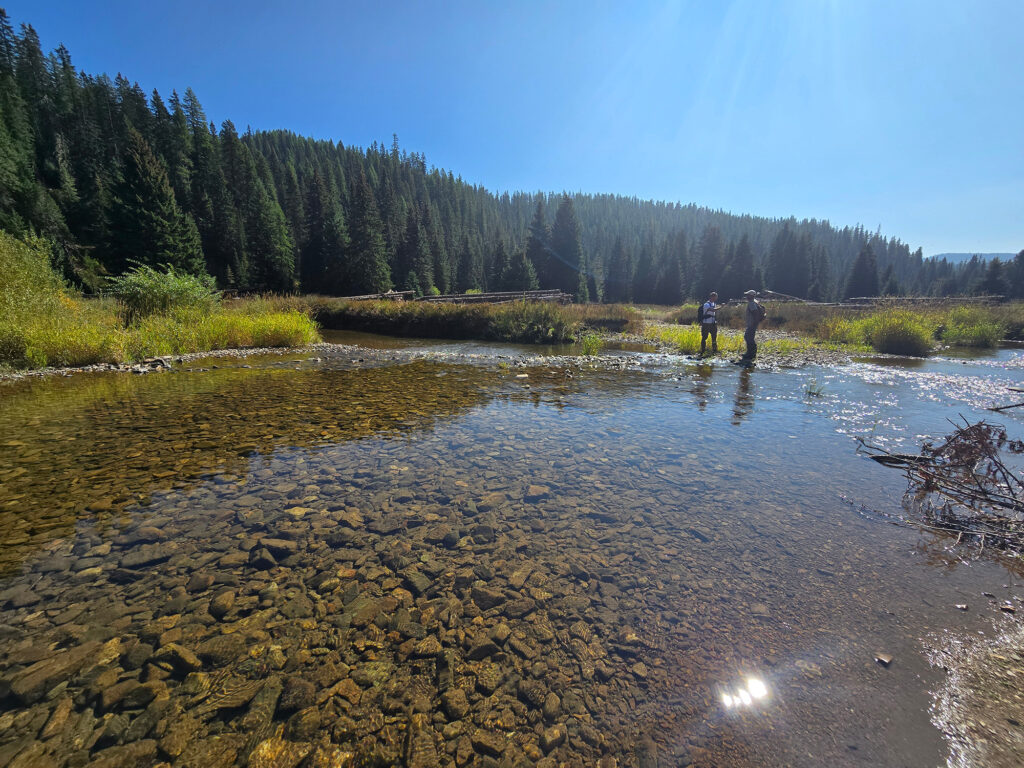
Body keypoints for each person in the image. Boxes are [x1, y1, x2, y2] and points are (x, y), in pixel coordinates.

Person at [741, 290, 767, 362]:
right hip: (753, 323)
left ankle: (750, 354)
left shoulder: (752, 303)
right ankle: (750, 353)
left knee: (748, 337)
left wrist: (754, 323)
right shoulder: (755, 301)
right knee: (749, 337)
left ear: (751, 296)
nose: (746, 296)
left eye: (748, 295)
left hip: (752, 324)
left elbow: (755, 313)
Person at [699, 291, 721, 355]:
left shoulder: (714, 304)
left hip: (713, 323)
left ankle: (714, 350)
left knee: (714, 336)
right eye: (714, 297)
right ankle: (703, 350)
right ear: (711, 297)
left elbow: (714, 310)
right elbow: (713, 310)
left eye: (716, 297)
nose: (715, 298)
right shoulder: (706, 304)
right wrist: (721, 307)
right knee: (704, 337)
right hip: (706, 323)